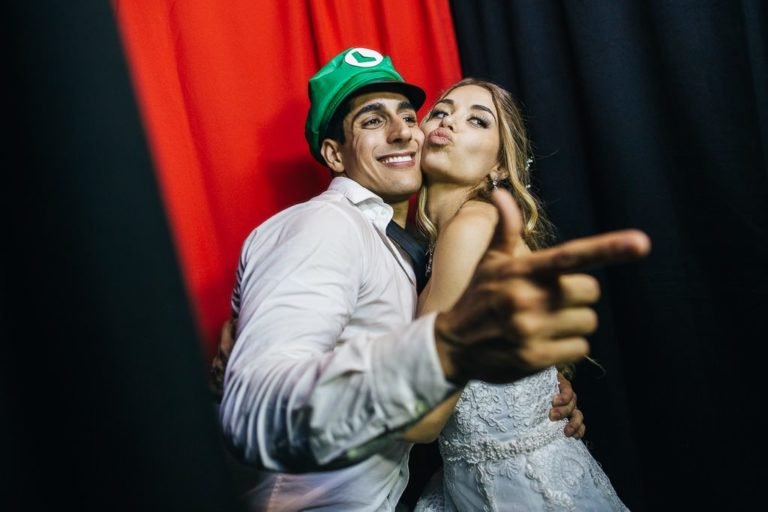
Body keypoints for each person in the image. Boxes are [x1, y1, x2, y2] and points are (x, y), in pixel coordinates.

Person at [218, 47, 649, 511]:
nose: (410, 129)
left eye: (410, 116)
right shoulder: (338, 227)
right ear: (334, 154)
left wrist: (540, 395)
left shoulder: (463, 231)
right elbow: (265, 396)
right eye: (441, 112)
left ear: (499, 164)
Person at [405, 78, 630, 510]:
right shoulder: (450, 238)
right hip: (475, 483)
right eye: (441, 111)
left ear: (499, 168)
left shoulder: (473, 229)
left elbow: (423, 420)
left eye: (477, 120)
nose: (449, 121)